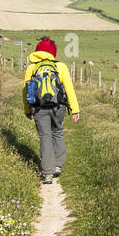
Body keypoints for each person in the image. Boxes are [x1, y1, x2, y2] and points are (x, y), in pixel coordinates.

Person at [23, 37, 80, 184]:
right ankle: (58, 165)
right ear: (53, 52)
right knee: (57, 131)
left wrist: (27, 109)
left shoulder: (32, 68)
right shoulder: (60, 66)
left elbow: (26, 91)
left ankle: (47, 173)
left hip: (39, 108)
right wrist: (75, 109)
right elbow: (69, 88)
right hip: (58, 106)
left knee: (45, 136)